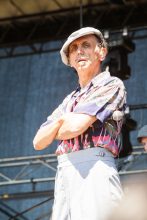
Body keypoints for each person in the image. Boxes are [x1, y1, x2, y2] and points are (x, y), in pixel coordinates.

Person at [33, 27, 127, 220]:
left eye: (86, 45)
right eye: (74, 48)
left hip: (95, 167)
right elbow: (38, 142)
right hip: (64, 170)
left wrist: (59, 124)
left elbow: (75, 127)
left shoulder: (111, 84)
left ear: (101, 52)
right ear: (69, 59)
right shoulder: (69, 100)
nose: (79, 51)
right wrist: (62, 120)